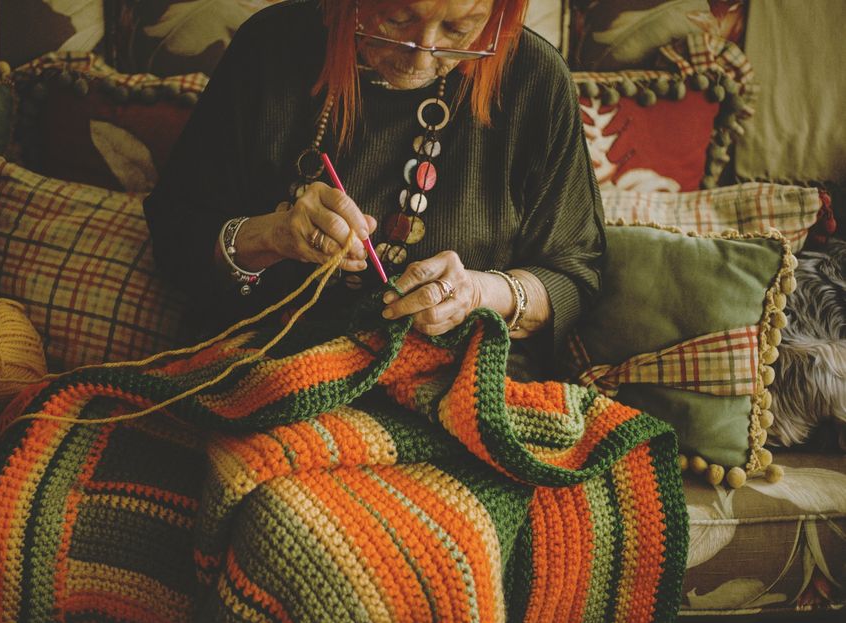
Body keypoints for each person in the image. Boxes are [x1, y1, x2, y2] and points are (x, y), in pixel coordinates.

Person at [143, 0, 604, 377]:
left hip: (452, 394)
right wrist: (271, 236)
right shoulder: (270, 47)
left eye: (460, 29)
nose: (423, 55)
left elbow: (574, 277)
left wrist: (477, 293)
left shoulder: (534, 80)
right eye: (398, 19)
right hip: (264, 374)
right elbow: (175, 237)